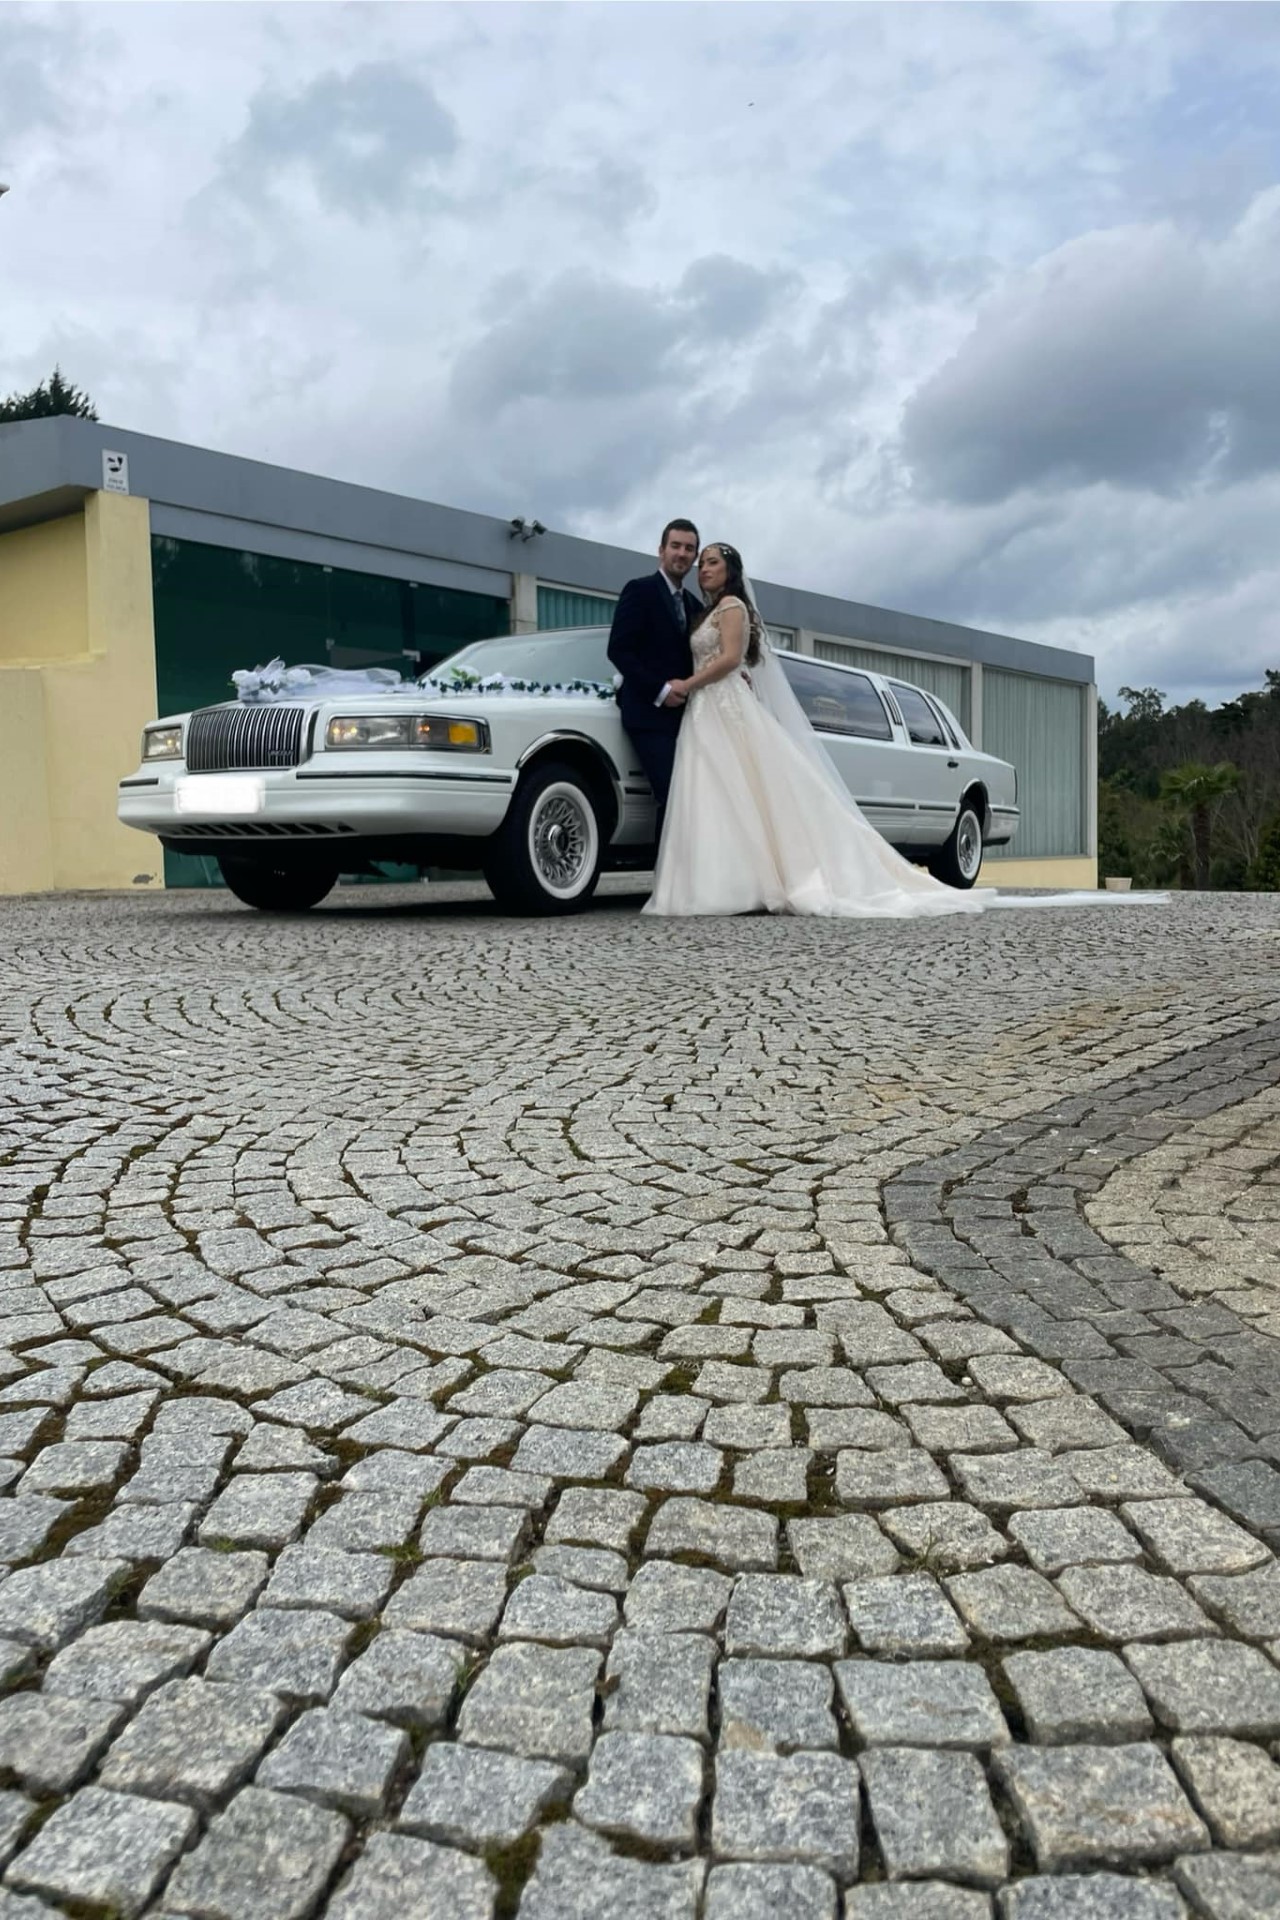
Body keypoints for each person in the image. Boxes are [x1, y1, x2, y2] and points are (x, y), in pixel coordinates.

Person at [644, 542, 995, 919]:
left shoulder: (732, 607)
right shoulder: (706, 612)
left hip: (723, 706)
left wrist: (688, 684)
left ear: (731, 570)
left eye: (712, 562)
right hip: (706, 711)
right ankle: (716, 884)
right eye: (701, 564)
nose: (703, 569)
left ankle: (738, 885)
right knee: (715, 793)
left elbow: (730, 658)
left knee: (737, 791)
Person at [606, 520, 702, 844]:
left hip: (687, 720)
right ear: (661, 550)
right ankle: (666, 872)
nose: (681, 553)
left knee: (691, 795)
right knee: (673, 792)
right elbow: (619, 649)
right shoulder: (640, 590)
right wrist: (660, 690)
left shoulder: (695, 606)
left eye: (689, 549)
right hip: (647, 715)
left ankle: (678, 871)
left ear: (694, 557)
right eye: (675, 546)